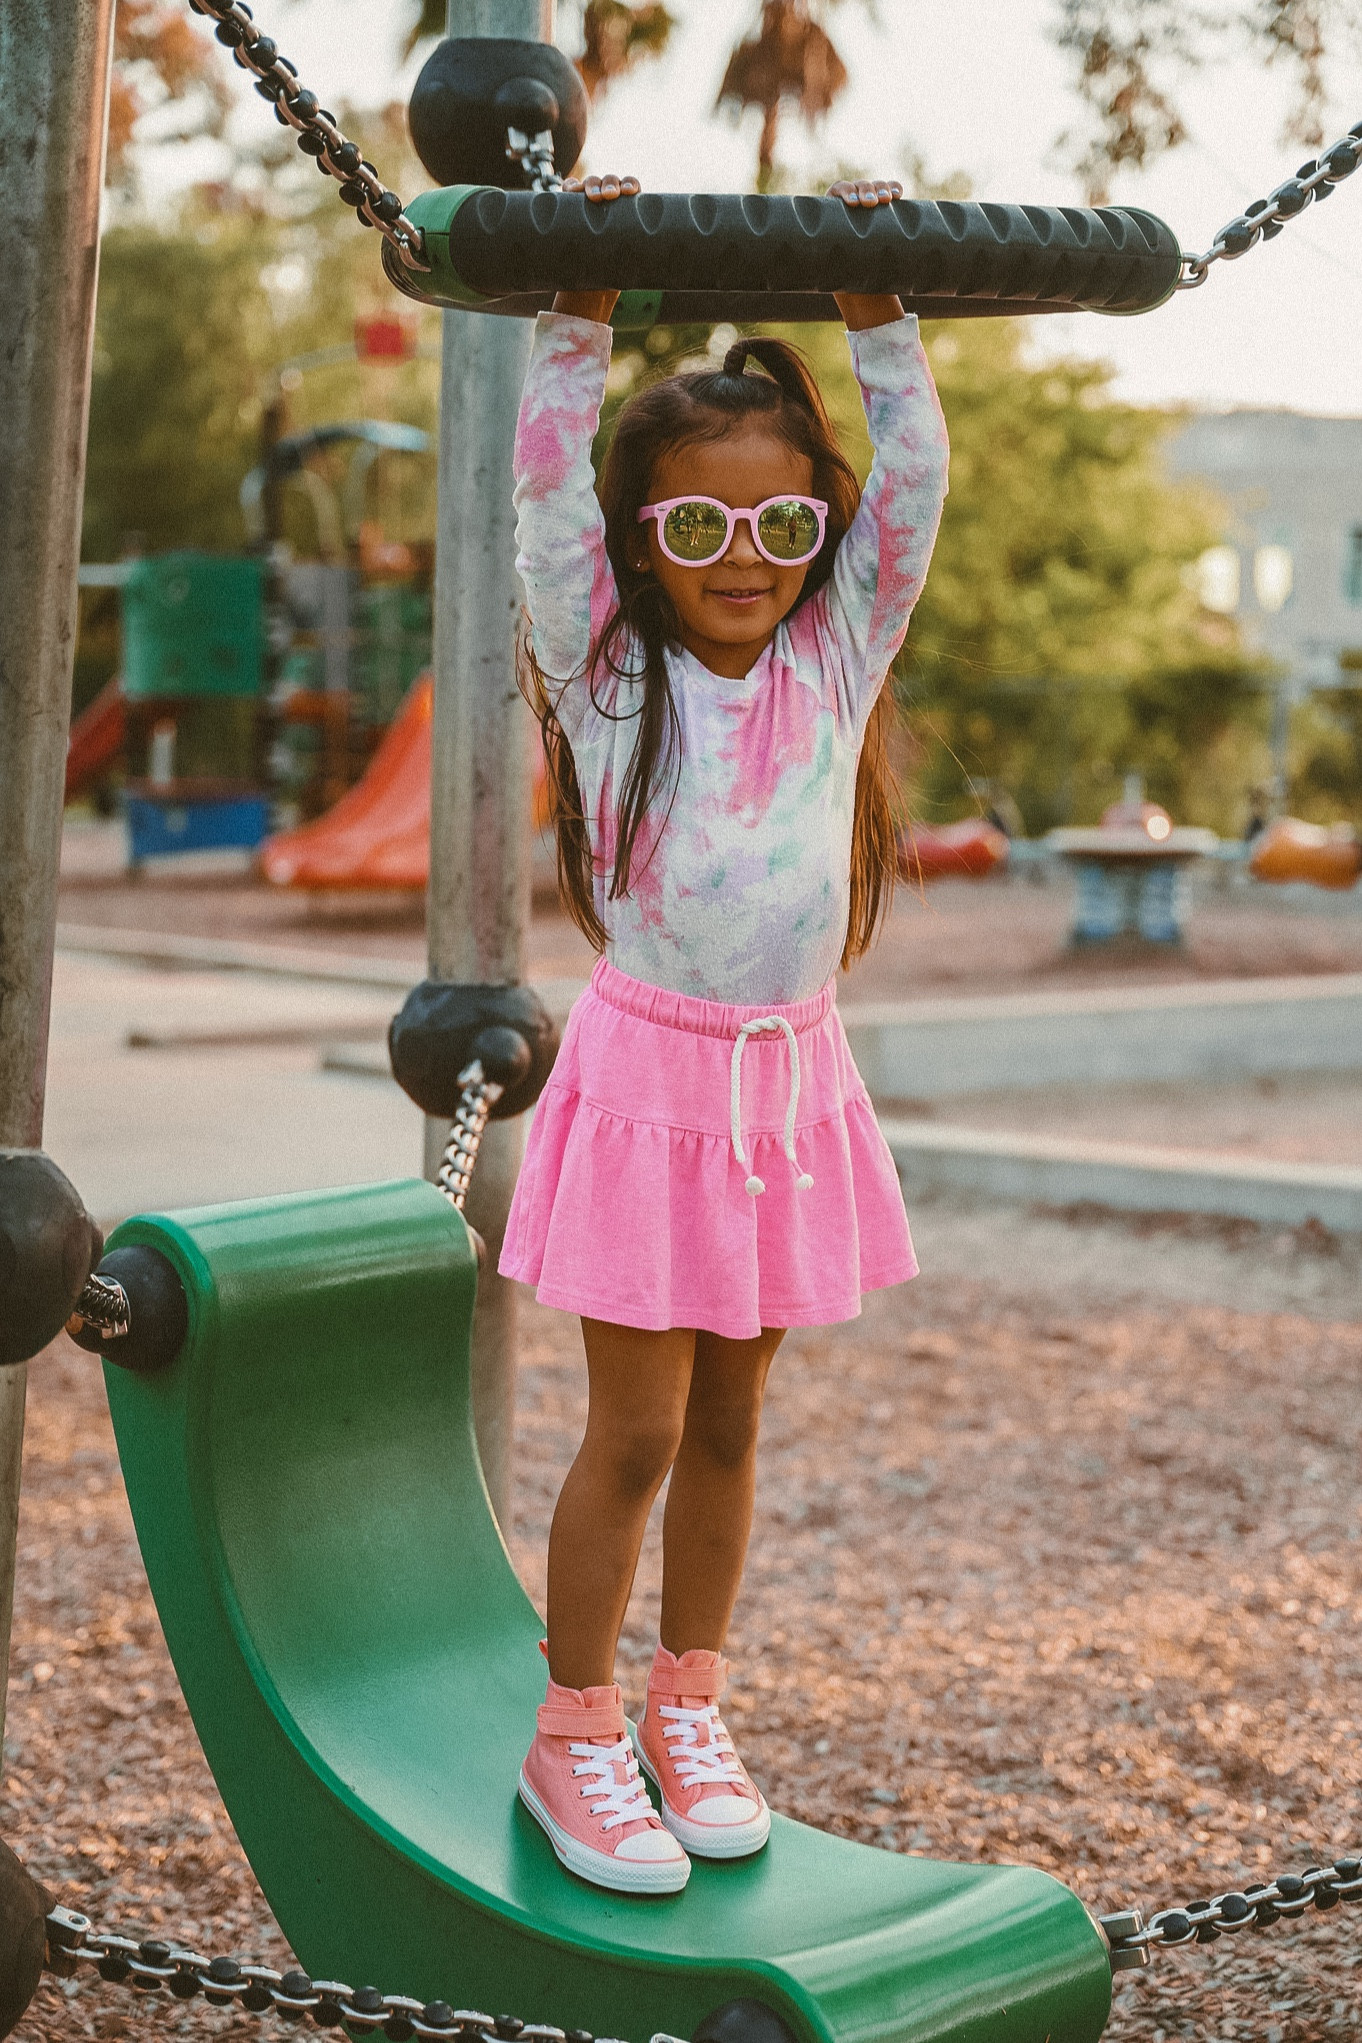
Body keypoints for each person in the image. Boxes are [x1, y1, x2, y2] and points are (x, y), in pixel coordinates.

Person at [504, 171, 950, 1895]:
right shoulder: (614, 682)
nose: (743, 564)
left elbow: (906, 494)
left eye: (779, 530)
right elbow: (545, 509)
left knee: (732, 1427)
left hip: (784, 1089)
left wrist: (880, 324)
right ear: (642, 545)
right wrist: (576, 314)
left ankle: (690, 1706)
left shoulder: (838, 661)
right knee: (628, 1430)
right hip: (647, 1084)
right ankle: (575, 1732)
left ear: (817, 540)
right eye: (697, 531)